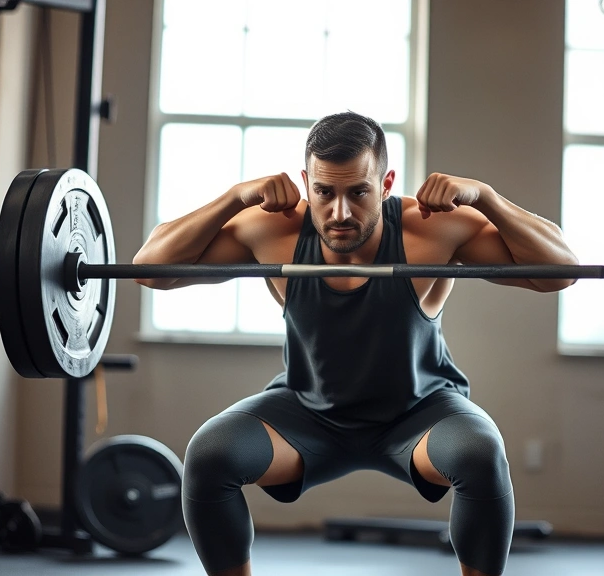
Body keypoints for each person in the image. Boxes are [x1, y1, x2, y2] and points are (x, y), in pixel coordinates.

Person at [133, 111, 578, 576]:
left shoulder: (428, 228)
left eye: (358, 192)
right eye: (324, 192)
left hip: (420, 415)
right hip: (308, 414)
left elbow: (561, 271)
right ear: (307, 184)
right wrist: (231, 199)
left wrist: (486, 198)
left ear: (385, 183)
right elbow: (149, 270)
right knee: (209, 455)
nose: (340, 212)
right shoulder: (277, 230)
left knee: (480, 453)